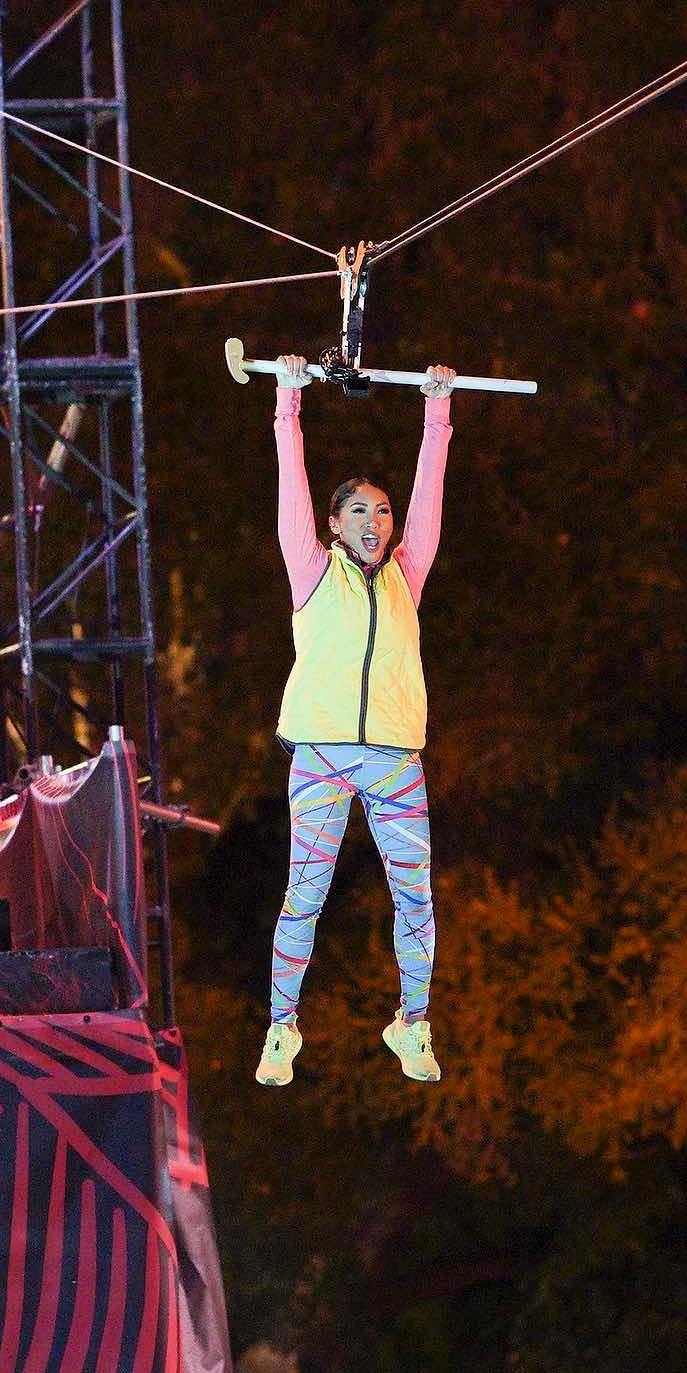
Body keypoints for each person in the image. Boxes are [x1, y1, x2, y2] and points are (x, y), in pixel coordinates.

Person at [259, 353, 454, 1086]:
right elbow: (291, 487)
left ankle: (414, 1022)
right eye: (358, 511)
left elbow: (431, 497)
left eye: (382, 510)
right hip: (322, 755)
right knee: (303, 896)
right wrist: (288, 402)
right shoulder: (310, 570)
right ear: (334, 526)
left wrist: (437, 414)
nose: (375, 520)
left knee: (416, 896)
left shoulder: (408, 574)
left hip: (397, 756)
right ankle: (281, 1028)